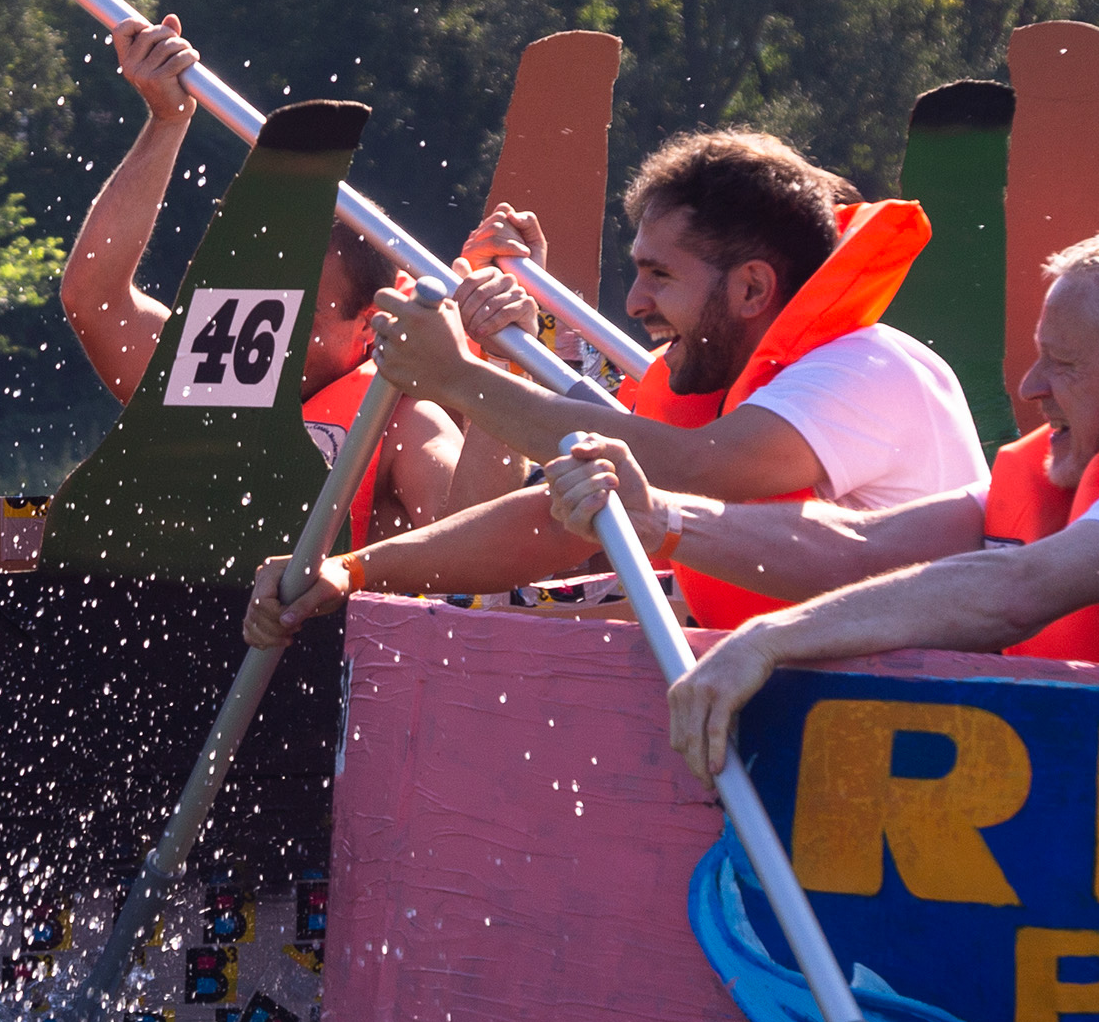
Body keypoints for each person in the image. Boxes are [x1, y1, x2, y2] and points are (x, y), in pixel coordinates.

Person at [568, 223, 1099, 778]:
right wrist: (664, 522)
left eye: (1062, 365)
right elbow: (861, 547)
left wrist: (769, 639)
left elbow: (1012, 593)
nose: (1030, 389)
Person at [244, 128, 985, 643]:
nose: (633, 304)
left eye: (660, 276)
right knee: (474, 638)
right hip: (790, 690)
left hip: (903, 714)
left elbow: (694, 470)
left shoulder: (869, 368)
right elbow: (558, 510)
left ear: (754, 287)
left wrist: (459, 376)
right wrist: (353, 569)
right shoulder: (725, 381)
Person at [60, 12, 479, 538]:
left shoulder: (406, 424)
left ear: (369, 325)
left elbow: (473, 547)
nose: (266, 332)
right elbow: (91, 294)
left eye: (295, 313)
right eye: (254, 300)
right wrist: (167, 122)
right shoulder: (203, 371)